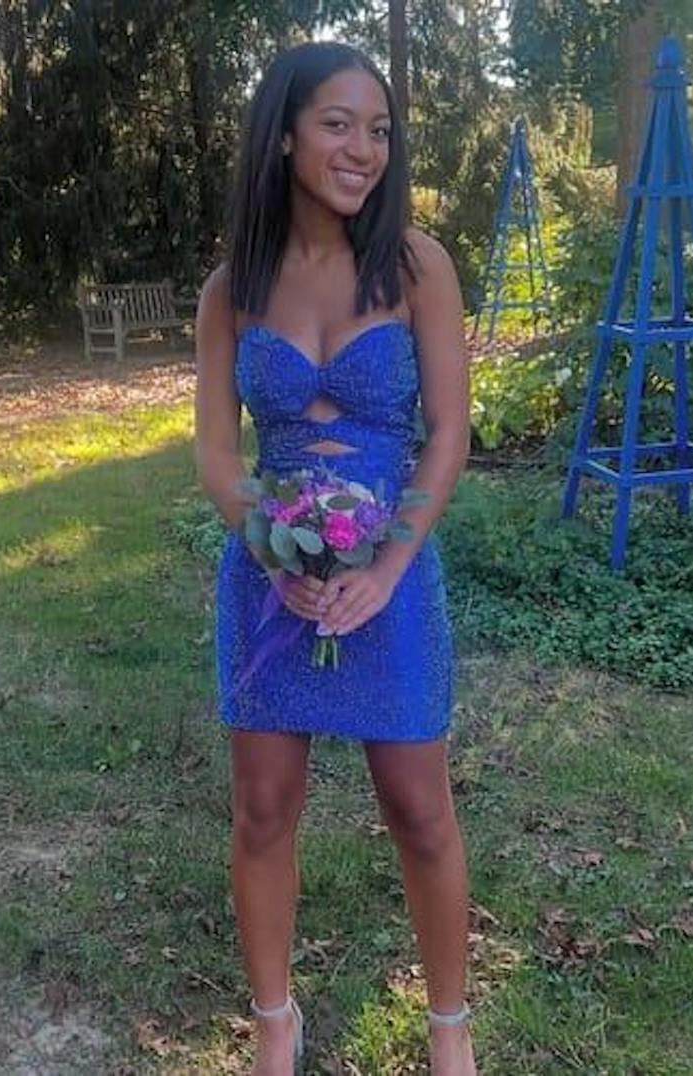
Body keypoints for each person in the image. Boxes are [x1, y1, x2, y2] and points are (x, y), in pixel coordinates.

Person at [194, 41, 474, 1076]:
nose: (364, 149)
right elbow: (217, 452)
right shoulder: (231, 287)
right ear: (283, 135)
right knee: (263, 810)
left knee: (419, 810)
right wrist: (269, 549)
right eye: (338, 124)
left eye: (380, 130)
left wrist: (388, 566)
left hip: (388, 579)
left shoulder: (416, 266)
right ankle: (276, 1023)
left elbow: (448, 432)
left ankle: (450, 1029)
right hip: (272, 582)